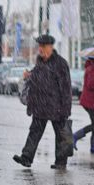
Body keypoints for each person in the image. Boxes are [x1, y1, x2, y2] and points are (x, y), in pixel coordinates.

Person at [13, 34, 72, 169]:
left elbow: (66, 87)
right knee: (34, 131)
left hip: (56, 106)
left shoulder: (60, 64)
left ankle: (61, 162)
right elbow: (38, 77)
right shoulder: (39, 61)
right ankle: (26, 157)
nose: (40, 49)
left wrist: (66, 108)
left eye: (43, 46)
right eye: (39, 46)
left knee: (61, 135)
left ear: (50, 47)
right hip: (40, 106)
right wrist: (30, 75)